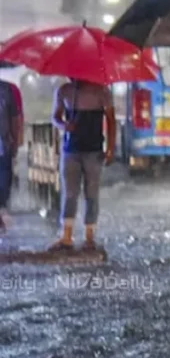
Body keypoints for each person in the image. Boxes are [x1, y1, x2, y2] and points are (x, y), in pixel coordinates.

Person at [50, 78, 116, 251]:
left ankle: (89, 237)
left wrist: (110, 148)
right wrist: (64, 125)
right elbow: (55, 117)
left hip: (93, 150)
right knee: (70, 193)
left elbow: (111, 120)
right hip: (70, 150)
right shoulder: (64, 91)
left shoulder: (102, 91)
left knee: (91, 194)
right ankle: (66, 236)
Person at [0, 78, 23, 233]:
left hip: (3, 145)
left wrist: (15, 142)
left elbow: (16, 119)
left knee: (4, 184)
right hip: (4, 145)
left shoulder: (8, 90)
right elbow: (16, 119)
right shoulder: (8, 89)